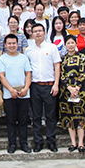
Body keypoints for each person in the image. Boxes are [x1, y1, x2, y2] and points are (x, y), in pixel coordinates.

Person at [25, 23, 61, 153]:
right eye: (35, 31)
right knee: (36, 116)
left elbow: (57, 66)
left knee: (51, 115)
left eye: (40, 31)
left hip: (49, 85)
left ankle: (51, 141)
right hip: (35, 85)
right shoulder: (29, 50)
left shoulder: (52, 48)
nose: (38, 33)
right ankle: (38, 142)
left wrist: (56, 84)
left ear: (44, 33)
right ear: (32, 34)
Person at [0, 34, 32, 154]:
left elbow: (28, 74)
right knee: (11, 120)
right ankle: (12, 143)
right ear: (5, 45)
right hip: (9, 94)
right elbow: (1, 76)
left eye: (14, 43)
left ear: (17, 44)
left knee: (23, 120)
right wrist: (11, 90)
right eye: (9, 43)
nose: (12, 45)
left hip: (24, 94)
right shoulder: (2, 59)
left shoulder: (24, 58)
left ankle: (24, 143)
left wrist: (26, 88)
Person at [59, 35, 85, 153]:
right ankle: (73, 142)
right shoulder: (62, 59)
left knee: (80, 116)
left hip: (79, 90)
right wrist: (69, 88)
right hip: (66, 91)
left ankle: (81, 142)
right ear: (65, 45)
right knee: (69, 116)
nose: (70, 45)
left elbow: (83, 73)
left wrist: (76, 88)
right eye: (68, 43)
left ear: (76, 44)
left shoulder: (81, 57)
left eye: (72, 43)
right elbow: (61, 74)